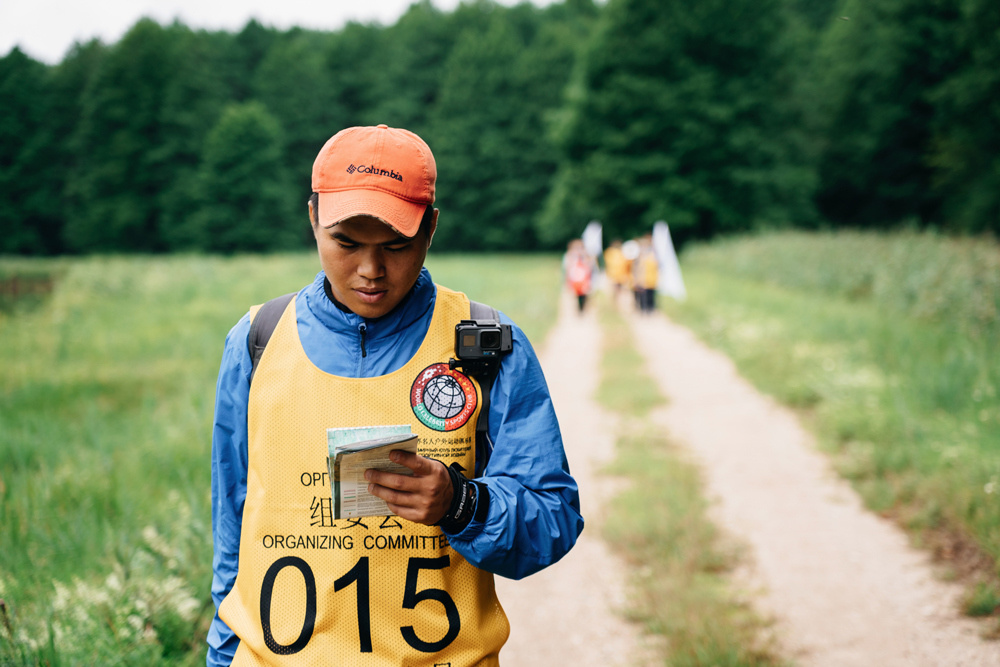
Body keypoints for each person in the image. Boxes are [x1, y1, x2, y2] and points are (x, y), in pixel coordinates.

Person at [207, 124, 583, 666]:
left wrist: (461, 504)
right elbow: (232, 529)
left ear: (430, 228)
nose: (370, 271)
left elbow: (553, 520)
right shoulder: (258, 340)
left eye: (395, 246)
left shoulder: (486, 344)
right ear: (312, 217)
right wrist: (221, 657)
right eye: (346, 243)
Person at [562, 238, 595, 313]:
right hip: (574, 279)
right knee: (576, 295)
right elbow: (567, 269)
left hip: (584, 279)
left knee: (585, 295)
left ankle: (582, 309)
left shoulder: (586, 255)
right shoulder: (569, 256)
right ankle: (578, 310)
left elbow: (590, 266)